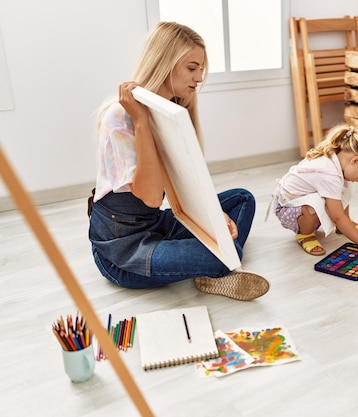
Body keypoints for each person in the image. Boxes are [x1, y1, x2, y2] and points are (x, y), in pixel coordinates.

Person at [88, 22, 269, 301]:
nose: (198, 78)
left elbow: (182, 187)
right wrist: (140, 121)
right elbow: (149, 197)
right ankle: (214, 268)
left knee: (242, 199)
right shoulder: (121, 116)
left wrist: (213, 215)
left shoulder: (169, 112)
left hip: (156, 226)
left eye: (201, 70)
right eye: (192, 68)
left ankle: (205, 261)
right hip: (123, 251)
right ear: (165, 63)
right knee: (225, 256)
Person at [270, 124, 358, 256]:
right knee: (314, 206)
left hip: (301, 200)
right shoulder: (328, 174)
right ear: (355, 161)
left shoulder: (338, 158)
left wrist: (345, 223)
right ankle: (305, 234)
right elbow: (337, 216)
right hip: (288, 210)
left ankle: (345, 225)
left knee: (345, 185)